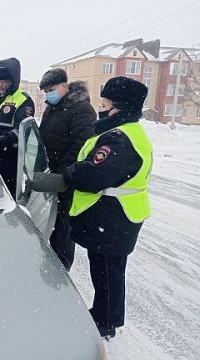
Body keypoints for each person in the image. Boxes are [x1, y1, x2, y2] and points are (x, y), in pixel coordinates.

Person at [62, 76, 153, 339]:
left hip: (114, 217)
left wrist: (71, 172)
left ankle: (106, 322)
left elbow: (94, 175)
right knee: (106, 270)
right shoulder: (125, 132)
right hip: (118, 215)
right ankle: (104, 314)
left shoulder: (120, 138)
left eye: (106, 103)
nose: (101, 108)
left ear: (120, 107)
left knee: (107, 272)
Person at [38, 68, 96, 271]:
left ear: (64, 86)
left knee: (63, 227)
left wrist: (60, 175)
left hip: (66, 180)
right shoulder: (52, 109)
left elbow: (81, 146)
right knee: (49, 222)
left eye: (51, 89)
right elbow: (43, 140)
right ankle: (49, 262)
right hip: (50, 177)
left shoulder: (82, 109)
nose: (48, 94)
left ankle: (61, 269)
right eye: (45, 91)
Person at [0, 57, 35, 195]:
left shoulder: (23, 100)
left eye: (5, 81)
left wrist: (3, 140)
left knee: (5, 195)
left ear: (13, 81)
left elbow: (23, 130)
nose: (1, 85)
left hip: (8, 159)